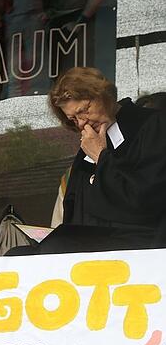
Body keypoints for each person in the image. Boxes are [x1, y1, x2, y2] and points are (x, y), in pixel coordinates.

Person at [49, 67, 166, 249]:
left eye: (84, 110)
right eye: (73, 119)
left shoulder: (152, 125)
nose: (81, 123)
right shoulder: (87, 144)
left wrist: (100, 156)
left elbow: (145, 199)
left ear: (104, 95)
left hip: (140, 250)